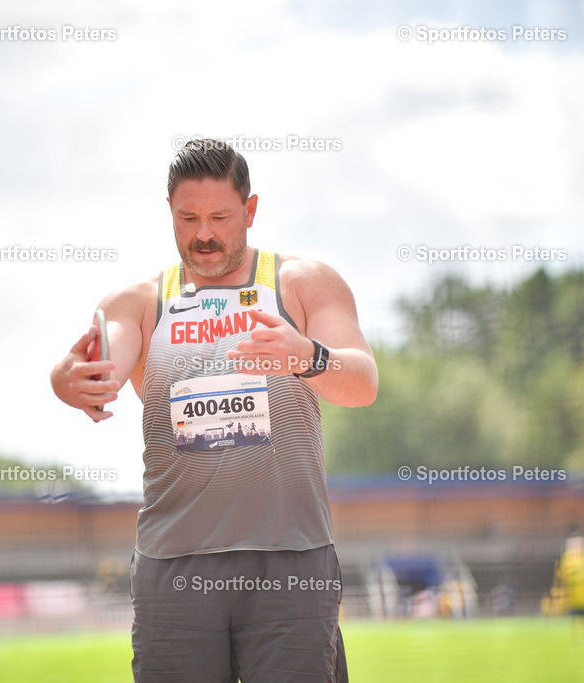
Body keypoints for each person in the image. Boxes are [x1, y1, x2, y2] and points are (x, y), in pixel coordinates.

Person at [51, 138, 378, 681]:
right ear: (170, 214)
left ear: (249, 210)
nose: (204, 234)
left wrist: (307, 356)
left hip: (291, 561)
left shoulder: (301, 283)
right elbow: (99, 362)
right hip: (175, 567)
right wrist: (69, 380)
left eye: (221, 217)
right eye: (189, 218)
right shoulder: (138, 302)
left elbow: (361, 382)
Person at [552, 534, 584, 643]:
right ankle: (576, 637)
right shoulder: (567, 558)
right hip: (574, 593)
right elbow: (562, 575)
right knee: (575, 616)